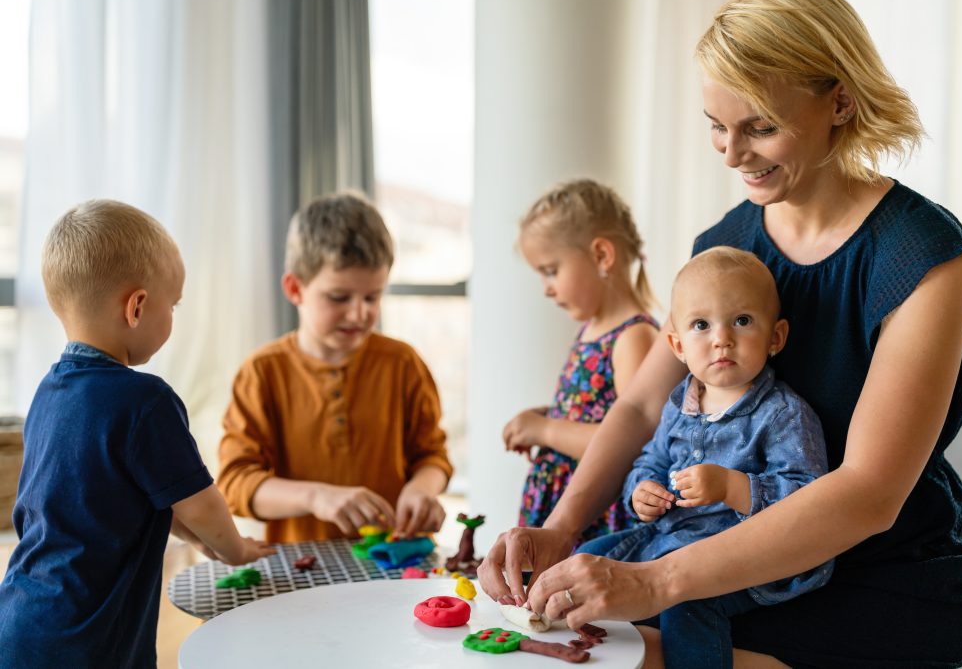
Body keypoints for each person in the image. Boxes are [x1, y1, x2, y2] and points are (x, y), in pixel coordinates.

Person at [478, 0, 962, 667]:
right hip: (717, 556)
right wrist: (559, 528)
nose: (731, 154)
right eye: (715, 125)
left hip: (881, 574)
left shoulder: (923, 256)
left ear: (840, 102)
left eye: (759, 127)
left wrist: (654, 580)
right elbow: (641, 404)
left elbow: (869, 492)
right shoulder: (725, 246)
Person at [0, 200, 274, 667]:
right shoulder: (145, 401)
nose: (172, 317)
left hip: (21, 619)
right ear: (138, 306)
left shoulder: (47, 393)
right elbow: (201, 501)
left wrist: (197, 538)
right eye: (174, 305)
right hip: (89, 639)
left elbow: (139, 494)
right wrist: (234, 548)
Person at [575, 246, 832, 668]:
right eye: (701, 324)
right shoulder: (679, 404)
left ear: (776, 337)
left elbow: (810, 500)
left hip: (740, 560)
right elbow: (651, 461)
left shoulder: (784, 414)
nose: (721, 338)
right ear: (677, 344)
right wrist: (642, 491)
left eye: (742, 321)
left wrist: (734, 487)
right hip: (667, 539)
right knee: (587, 558)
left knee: (686, 605)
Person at [217, 191, 452, 543]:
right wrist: (316, 497)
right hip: (302, 571)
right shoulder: (263, 373)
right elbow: (236, 482)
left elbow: (432, 455)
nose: (359, 313)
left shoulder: (403, 365)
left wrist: (421, 488)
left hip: (397, 566)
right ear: (295, 288)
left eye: (372, 297)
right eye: (339, 297)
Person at [505, 179, 659, 548]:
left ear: (602, 255)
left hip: (594, 521)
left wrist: (545, 430)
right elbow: (596, 412)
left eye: (551, 270)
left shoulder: (633, 337)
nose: (546, 287)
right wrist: (548, 415)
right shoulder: (592, 329)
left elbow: (631, 444)